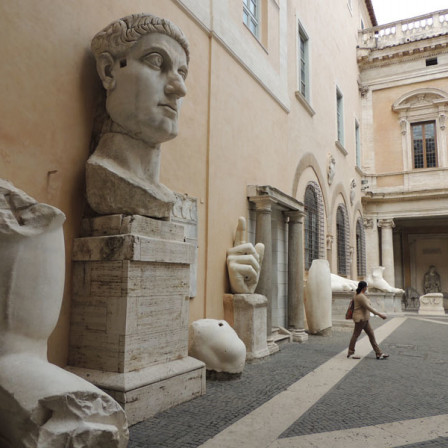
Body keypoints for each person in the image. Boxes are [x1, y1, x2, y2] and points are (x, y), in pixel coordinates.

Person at [86, 13, 190, 218]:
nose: (180, 89)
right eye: (156, 61)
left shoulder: (165, 196)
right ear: (108, 71)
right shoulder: (104, 174)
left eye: (182, 73)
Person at [347, 281, 389, 360]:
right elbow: (368, 307)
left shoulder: (359, 295)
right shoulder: (360, 296)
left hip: (364, 319)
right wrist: (380, 315)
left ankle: (378, 353)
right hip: (360, 319)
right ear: (364, 287)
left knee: (371, 335)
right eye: (366, 287)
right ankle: (351, 352)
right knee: (356, 335)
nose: (367, 288)